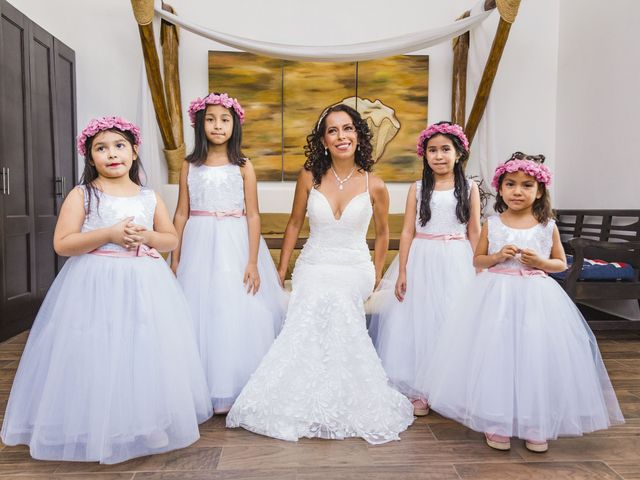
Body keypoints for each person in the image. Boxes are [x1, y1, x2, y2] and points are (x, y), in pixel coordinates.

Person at [0, 117, 212, 464]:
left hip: (144, 283)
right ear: (89, 156)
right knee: (96, 349)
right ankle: (90, 422)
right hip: (94, 281)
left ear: (133, 151)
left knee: (141, 348)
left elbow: (170, 239)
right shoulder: (83, 194)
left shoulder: (148, 196)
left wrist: (148, 238)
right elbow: (63, 243)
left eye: (118, 146)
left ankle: (143, 420)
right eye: (101, 148)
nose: (111, 154)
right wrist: (109, 234)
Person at [226, 104, 414, 444]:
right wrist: (282, 270)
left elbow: (385, 233)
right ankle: (300, 395)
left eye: (348, 129)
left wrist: (375, 271)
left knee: (340, 297)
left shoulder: (376, 184)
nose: (341, 136)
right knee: (312, 298)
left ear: (358, 135)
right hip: (313, 263)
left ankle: (346, 396)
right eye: (333, 130)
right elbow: (295, 224)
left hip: (354, 265)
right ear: (324, 140)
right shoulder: (309, 176)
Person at [417, 152, 624, 452]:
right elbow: (478, 259)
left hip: (535, 299)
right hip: (496, 295)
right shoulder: (493, 223)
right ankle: (496, 420)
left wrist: (541, 261)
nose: (517, 191)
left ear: (539, 191)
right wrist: (498, 257)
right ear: (500, 189)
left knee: (533, 357)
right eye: (510, 184)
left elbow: (560, 264)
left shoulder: (546, 225)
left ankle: (533, 422)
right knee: (497, 355)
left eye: (527, 185)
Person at [171, 93, 285, 414]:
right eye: (210, 119)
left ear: (234, 125)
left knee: (233, 308)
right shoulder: (189, 165)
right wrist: (175, 256)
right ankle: (202, 385)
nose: (218, 126)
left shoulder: (243, 165)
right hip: (199, 240)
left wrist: (252, 260)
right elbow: (181, 213)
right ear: (199, 123)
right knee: (201, 309)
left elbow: (253, 215)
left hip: (235, 242)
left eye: (225, 119)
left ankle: (234, 385)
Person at [368, 122, 481, 416]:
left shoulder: (470, 188)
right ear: (425, 155)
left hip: (457, 257)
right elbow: (407, 231)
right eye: (432, 150)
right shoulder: (417, 188)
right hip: (423, 256)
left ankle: (452, 385)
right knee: (420, 322)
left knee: (452, 319)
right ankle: (420, 388)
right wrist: (402, 269)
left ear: (458, 154)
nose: (439, 156)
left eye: (445, 149)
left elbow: (475, 231)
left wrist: (479, 267)